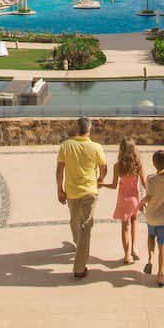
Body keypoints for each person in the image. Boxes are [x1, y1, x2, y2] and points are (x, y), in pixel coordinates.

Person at [56, 117, 106, 278]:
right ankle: (80, 249)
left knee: (76, 221)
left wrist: (59, 190)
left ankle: (79, 265)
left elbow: (59, 170)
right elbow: (104, 167)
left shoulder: (66, 146)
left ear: (76, 129)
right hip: (90, 191)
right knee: (83, 226)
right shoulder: (96, 147)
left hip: (71, 191)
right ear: (89, 130)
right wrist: (100, 180)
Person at [101, 138, 146, 265]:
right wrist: (148, 197)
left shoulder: (118, 166)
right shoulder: (138, 165)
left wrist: (102, 184)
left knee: (125, 227)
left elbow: (114, 185)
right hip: (135, 199)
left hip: (123, 200)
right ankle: (134, 249)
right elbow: (144, 183)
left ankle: (127, 255)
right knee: (135, 221)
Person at [140, 149, 164, 287]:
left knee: (150, 236)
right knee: (162, 244)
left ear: (153, 163)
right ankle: (160, 275)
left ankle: (150, 259)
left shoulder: (150, 179)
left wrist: (140, 203)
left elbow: (148, 197)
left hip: (151, 216)